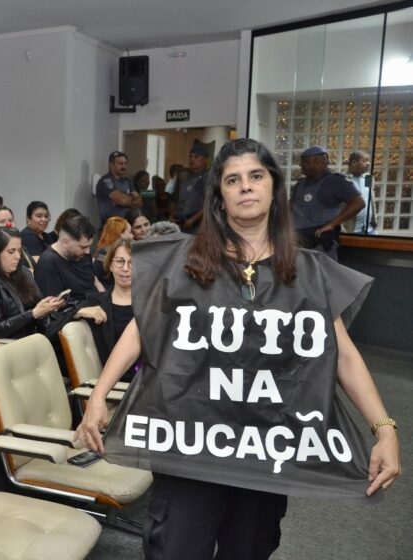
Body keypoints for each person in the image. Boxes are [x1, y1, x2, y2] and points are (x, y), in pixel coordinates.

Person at [76, 138, 400, 560]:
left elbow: (344, 353)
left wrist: (385, 428)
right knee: (176, 548)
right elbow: (140, 330)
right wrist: (99, 395)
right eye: (233, 179)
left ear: (273, 188)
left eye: (256, 176)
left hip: (264, 443)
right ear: (220, 196)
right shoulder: (184, 262)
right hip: (188, 438)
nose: (245, 186)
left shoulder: (307, 272)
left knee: (248, 549)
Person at [0, 228, 64, 339]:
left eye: (19, 250)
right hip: (15, 344)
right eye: (11, 252)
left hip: (38, 335)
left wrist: (49, 306)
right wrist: (33, 314)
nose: (17, 256)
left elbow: (37, 303)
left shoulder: (23, 271)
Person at [290, 146, 364, 261]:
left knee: (322, 276)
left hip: (320, 243)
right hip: (297, 242)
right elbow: (291, 206)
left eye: (303, 162)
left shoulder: (336, 181)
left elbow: (358, 203)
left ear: (317, 162)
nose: (300, 165)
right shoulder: (301, 183)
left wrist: (332, 224)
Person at [87, 239, 139, 381]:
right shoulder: (97, 302)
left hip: (149, 379)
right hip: (117, 382)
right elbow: (53, 329)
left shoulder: (151, 302)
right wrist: (79, 312)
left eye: (132, 263)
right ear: (110, 265)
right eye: (119, 261)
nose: (125, 268)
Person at [34, 214, 105, 302]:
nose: (88, 251)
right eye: (83, 247)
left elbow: (94, 280)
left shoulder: (83, 254)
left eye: (89, 246)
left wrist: (105, 299)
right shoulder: (48, 263)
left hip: (98, 305)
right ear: (65, 242)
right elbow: (53, 308)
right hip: (77, 312)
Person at [95, 150, 141, 224]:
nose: (124, 166)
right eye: (120, 164)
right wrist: (129, 199)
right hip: (112, 225)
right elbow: (122, 200)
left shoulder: (127, 181)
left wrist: (125, 199)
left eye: (125, 163)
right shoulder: (106, 180)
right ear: (111, 164)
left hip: (127, 223)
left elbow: (139, 201)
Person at [172, 144, 210, 233]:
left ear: (205, 160)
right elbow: (176, 199)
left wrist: (192, 220)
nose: (192, 159)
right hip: (180, 224)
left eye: (196, 157)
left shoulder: (207, 177)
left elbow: (209, 204)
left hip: (197, 225)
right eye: (190, 157)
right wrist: (172, 215)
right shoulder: (185, 176)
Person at [92, 216, 132, 289]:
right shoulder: (108, 253)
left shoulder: (103, 251)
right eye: (129, 232)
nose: (132, 236)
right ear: (120, 234)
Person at [345, 150, 377, 235]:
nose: (368, 163)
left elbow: (371, 201)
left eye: (368, 161)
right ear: (354, 162)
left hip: (370, 230)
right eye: (364, 161)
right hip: (352, 231)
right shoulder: (343, 180)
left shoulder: (368, 178)